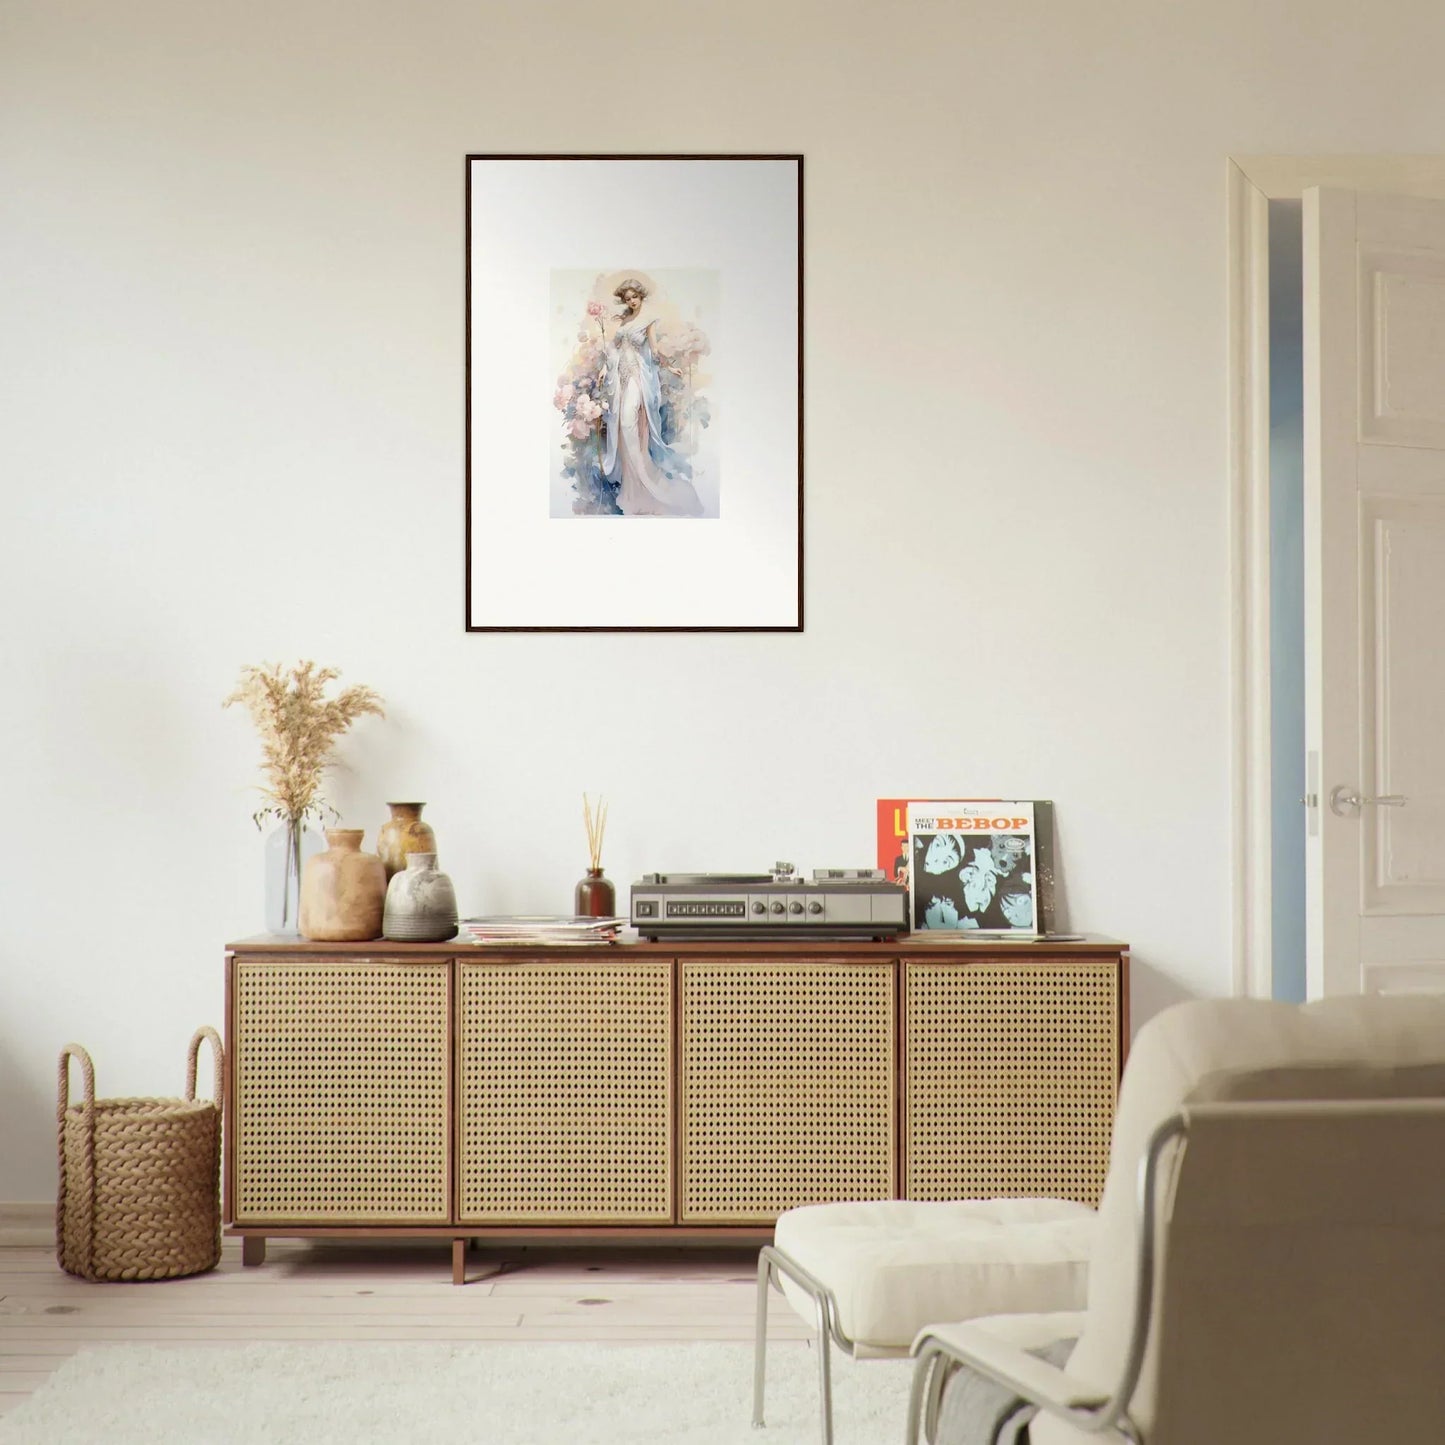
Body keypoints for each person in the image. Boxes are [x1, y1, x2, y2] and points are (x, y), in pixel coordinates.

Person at [599, 279, 704, 517]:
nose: (631, 301)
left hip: (637, 377)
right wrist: (605, 368)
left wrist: (670, 366)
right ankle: (633, 489)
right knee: (624, 429)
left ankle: (647, 480)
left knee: (628, 422)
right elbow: (615, 347)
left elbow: (654, 351)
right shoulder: (624, 321)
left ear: (641, 296)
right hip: (621, 379)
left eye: (634, 296)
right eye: (627, 299)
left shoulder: (647, 321)